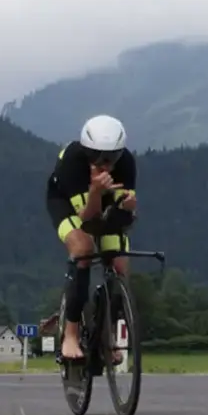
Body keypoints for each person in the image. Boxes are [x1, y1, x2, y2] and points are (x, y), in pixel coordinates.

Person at [44, 114, 137, 361]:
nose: (104, 163)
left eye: (111, 157)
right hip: (65, 201)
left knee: (119, 263)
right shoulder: (73, 162)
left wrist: (127, 205)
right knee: (83, 250)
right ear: (86, 152)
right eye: (96, 157)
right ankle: (71, 334)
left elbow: (122, 211)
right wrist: (95, 189)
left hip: (102, 197)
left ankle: (107, 334)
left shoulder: (126, 162)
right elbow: (87, 219)